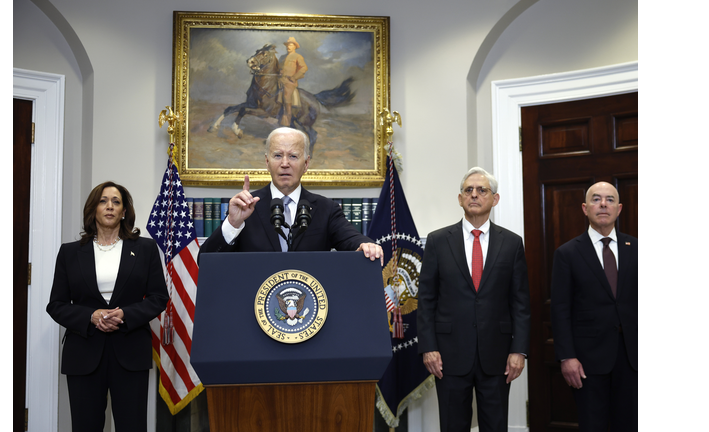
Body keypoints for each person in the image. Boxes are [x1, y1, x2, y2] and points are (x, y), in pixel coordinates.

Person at [46, 182, 169, 432]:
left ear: (124, 211)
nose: (110, 206)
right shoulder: (70, 253)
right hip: (83, 351)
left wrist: (125, 314)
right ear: (93, 209)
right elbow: (56, 305)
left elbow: (158, 297)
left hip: (130, 349)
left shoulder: (144, 249)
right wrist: (90, 316)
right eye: (103, 201)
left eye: (116, 201)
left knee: (132, 426)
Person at [417, 167, 530, 432]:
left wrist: (519, 350)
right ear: (460, 199)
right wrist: (428, 347)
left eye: (482, 190)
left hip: (498, 355)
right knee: (453, 425)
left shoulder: (512, 243)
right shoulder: (437, 241)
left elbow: (521, 303)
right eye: (468, 190)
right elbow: (426, 299)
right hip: (448, 354)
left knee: (495, 425)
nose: (475, 195)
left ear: (495, 199)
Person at [200, 127, 382, 264]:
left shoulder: (326, 209)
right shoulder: (246, 207)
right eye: (278, 155)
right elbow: (206, 260)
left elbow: (352, 239)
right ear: (267, 162)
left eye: (293, 156)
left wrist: (367, 245)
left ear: (306, 163)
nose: (285, 163)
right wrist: (233, 223)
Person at [550, 181, 637, 432]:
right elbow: (560, 309)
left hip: (633, 359)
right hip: (588, 361)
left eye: (609, 199)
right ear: (584, 208)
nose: (603, 204)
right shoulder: (567, 254)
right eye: (596, 199)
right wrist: (567, 356)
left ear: (619, 209)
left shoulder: (638, 249)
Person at [277, 36, 308, 127]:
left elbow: (304, 68)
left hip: (290, 82)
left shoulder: (298, 56)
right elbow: (278, 68)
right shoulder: (282, 57)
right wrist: (279, 72)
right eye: (287, 45)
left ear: (295, 46)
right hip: (279, 80)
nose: (288, 47)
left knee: (287, 96)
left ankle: (287, 119)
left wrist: (294, 77)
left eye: (290, 45)